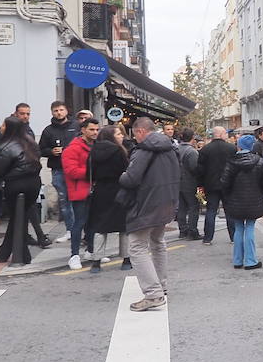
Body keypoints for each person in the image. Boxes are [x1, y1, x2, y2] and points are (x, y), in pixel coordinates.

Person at [120, 117, 179, 311]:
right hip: (166, 201)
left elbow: (131, 178)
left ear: (140, 132)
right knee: (158, 242)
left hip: (147, 203)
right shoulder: (170, 147)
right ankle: (161, 285)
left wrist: (120, 175)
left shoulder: (144, 150)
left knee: (136, 247)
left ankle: (153, 294)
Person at [0, 115, 43, 266]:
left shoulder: (6, 145)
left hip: (16, 184)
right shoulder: (30, 141)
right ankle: (5, 252)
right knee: (19, 218)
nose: (1, 127)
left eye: (4, 125)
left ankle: (22, 254)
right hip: (33, 183)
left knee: (18, 217)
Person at [85, 124, 129, 268]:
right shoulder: (119, 151)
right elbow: (125, 172)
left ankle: (96, 261)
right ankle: (126, 259)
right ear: (111, 137)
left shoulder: (93, 151)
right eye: (118, 134)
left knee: (100, 226)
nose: (121, 136)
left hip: (100, 192)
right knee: (123, 226)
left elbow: (88, 174)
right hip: (119, 190)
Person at [220, 134, 263, 270]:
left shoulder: (231, 162)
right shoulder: (259, 161)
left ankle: (237, 259)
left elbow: (224, 182)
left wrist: (228, 196)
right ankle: (250, 260)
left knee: (239, 227)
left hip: (235, 201)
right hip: (254, 200)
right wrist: (261, 193)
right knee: (250, 227)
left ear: (239, 146)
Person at [39, 100, 78, 244]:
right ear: (52, 112)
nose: (59, 113)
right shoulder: (48, 130)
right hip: (58, 169)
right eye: (55, 111)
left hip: (75, 169)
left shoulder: (76, 126)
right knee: (64, 201)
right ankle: (70, 230)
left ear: (66, 110)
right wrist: (51, 151)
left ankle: (79, 230)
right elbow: (40, 149)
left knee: (78, 201)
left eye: (61, 110)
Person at [63, 117, 100, 269]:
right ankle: (74, 255)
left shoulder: (97, 146)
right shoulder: (73, 148)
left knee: (93, 223)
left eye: (97, 130)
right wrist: (93, 172)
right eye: (92, 129)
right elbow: (71, 171)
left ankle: (91, 251)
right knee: (79, 223)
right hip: (80, 190)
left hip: (94, 189)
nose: (95, 133)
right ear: (83, 130)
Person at [196, 125, 235, 244]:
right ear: (221, 134)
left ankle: (208, 238)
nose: (227, 135)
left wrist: (200, 184)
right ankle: (233, 236)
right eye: (225, 133)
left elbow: (200, 170)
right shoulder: (231, 148)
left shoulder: (205, 150)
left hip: (210, 184)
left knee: (211, 210)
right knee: (230, 211)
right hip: (228, 184)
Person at [176, 128, 201, 239]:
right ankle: (192, 231)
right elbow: (195, 168)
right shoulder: (191, 152)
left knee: (181, 207)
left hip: (177, 181)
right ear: (193, 138)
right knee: (193, 207)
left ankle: (183, 230)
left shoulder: (176, 149)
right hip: (189, 182)